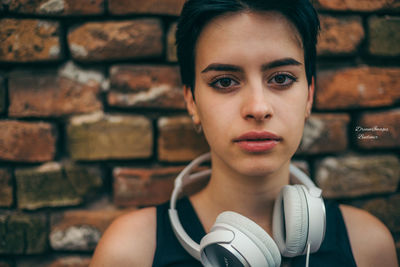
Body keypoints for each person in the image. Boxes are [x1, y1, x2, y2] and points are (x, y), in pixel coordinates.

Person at [89, 0, 398, 266]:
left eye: (281, 78)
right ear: (191, 101)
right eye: (225, 82)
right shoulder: (130, 252)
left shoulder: (367, 247)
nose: (258, 107)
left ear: (309, 95)